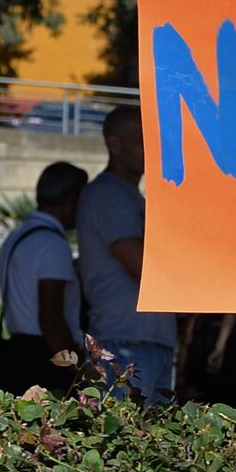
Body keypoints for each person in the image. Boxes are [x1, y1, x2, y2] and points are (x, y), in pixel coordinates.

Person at [76, 106, 178, 404]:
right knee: (125, 428)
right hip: (123, 342)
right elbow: (143, 266)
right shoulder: (109, 195)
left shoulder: (129, 196)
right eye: (141, 141)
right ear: (115, 144)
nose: (151, 151)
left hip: (143, 340)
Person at [0, 162, 88, 394]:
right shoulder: (51, 244)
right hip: (44, 356)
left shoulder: (18, 235)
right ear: (71, 199)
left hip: (16, 351)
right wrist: (78, 373)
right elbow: (51, 320)